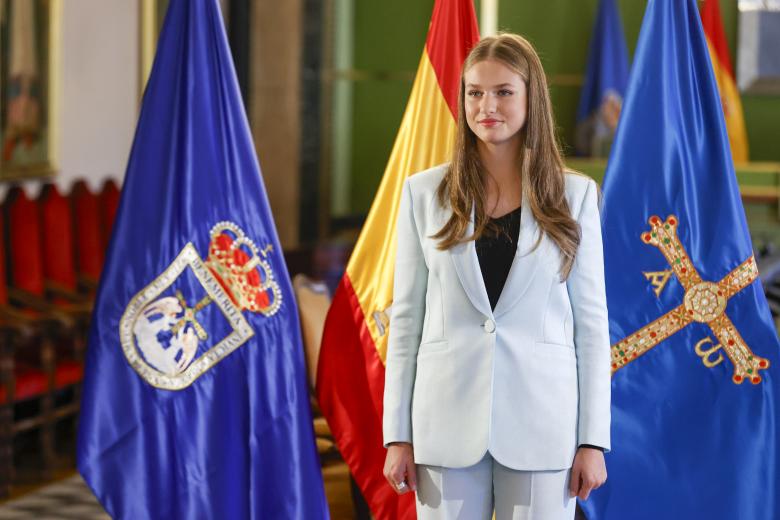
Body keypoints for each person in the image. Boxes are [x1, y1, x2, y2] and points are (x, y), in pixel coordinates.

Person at [382, 33, 611, 520]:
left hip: (543, 426)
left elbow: (592, 329)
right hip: (444, 425)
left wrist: (593, 440)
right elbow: (406, 322)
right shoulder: (424, 195)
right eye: (474, 92)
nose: (487, 105)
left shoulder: (576, 198)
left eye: (504, 91)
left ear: (532, 98)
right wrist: (397, 434)